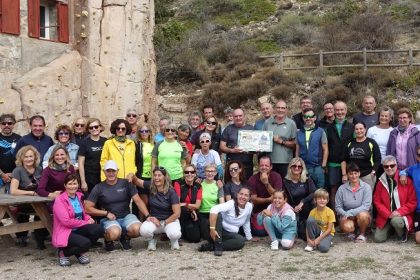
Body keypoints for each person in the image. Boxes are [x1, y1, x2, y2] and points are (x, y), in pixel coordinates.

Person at [85, 160, 149, 252]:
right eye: (108, 171)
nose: (111, 173)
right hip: (108, 219)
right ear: (104, 172)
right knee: (114, 233)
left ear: (117, 171)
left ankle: (125, 237)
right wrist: (106, 213)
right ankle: (108, 240)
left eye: (113, 171)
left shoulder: (126, 183)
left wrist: (147, 216)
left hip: (126, 216)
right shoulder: (99, 187)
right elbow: (87, 208)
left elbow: (138, 201)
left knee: (138, 229)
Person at [53, 174, 103, 266]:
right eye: (70, 184)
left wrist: (88, 218)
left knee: (98, 229)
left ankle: (79, 251)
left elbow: (82, 213)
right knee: (86, 243)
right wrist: (85, 222)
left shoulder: (79, 196)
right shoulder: (59, 200)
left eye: (75, 183)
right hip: (66, 231)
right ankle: (64, 253)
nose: (73, 186)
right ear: (65, 185)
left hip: (78, 228)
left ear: (78, 184)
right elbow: (66, 222)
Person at [373, 155, 417, 243]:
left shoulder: (406, 180)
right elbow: (377, 201)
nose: (389, 168)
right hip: (386, 216)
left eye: (392, 165)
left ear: (396, 166)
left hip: (401, 216)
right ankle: (392, 229)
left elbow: (413, 202)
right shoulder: (380, 181)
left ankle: (401, 234)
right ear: (383, 167)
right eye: (386, 166)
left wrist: (399, 212)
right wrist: (388, 214)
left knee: (396, 221)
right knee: (378, 238)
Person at [199, 187, 253, 256]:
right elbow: (213, 209)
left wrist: (249, 237)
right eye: (241, 194)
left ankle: (211, 246)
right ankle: (218, 245)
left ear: (249, 198)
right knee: (218, 214)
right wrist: (212, 229)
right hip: (216, 230)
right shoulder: (231, 203)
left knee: (241, 241)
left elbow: (246, 221)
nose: (243, 197)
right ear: (237, 194)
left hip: (229, 234)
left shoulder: (249, 206)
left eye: (246, 195)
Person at [9, 145, 45, 249]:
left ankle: (40, 238)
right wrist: (31, 193)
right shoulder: (18, 170)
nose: (29, 159)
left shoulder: (39, 169)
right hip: (23, 202)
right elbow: (13, 191)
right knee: (23, 214)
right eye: (26, 157)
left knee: (42, 212)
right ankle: (22, 238)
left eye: (31, 156)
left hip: (39, 201)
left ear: (35, 157)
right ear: (21, 158)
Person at [140, 167, 182, 250]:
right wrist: (131, 176)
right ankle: (151, 240)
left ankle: (173, 240)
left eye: (159, 175)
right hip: (154, 220)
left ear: (165, 177)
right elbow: (137, 181)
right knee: (143, 230)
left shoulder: (171, 192)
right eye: (155, 175)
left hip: (169, 221)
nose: (156, 178)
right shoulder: (151, 187)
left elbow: (177, 213)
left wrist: (163, 223)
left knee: (175, 234)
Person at [325, 101, 354, 210]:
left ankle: (348, 217)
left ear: (346, 111)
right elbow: (326, 146)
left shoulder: (352, 127)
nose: (340, 112)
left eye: (342, 110)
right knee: (334, 189)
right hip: (332, 164)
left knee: (349, 189)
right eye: (337, 110)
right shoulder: (328, 128)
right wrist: (325, 164)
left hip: (348, 164)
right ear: (334, 111)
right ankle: (335, 218)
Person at [335, 163, 372, 243]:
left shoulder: (366, 187)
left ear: (359, 173)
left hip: (360, 214)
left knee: (363, 215)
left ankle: (362, 234)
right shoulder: (341, 189)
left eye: (355, 173)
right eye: (351, 174)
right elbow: (338, 207)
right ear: (347, 175)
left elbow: (366, 206)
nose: (353, 176)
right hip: (347, 216)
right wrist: (345, 214)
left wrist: (350, 212)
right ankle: (352, 232)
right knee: (348, 226)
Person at [283, 157, 316, 240]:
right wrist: (292, 207)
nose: (296, 168)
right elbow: (283, 198)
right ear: (290, 167)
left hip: (306, 207)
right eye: (294, 166)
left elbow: (314, 193)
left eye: (299, 166)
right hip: (292, 208)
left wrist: (302, 202)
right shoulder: (285, 181)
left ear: (302, 168)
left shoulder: (307, 179)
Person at [249, 156, 283, 236]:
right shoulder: (252, 179)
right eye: (261, 165)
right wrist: (268, 199)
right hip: (259, 211)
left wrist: (266, 183)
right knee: (260, 233)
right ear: (258, 166)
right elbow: (253, 199)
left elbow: (278, 196)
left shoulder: (276, 176)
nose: (264, 167)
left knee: (277, 228)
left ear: (271, 167)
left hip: (275, 210)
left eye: (266, 165)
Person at [342, 121, 381, 190]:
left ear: (365, 129)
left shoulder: (372, 142)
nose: (359, 131)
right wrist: (344, 174)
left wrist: (373, 172)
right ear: (354, 131)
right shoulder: (349, 142)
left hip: (367, 176)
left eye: (361, 128)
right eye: (357, 129)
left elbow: (377, 159)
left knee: (367, 197)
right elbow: (343, 159)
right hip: (352, 176)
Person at [295, 107, 328, 188]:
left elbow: (325, 149)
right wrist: (297, 164)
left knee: (319, 192)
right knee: (306, 191)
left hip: (318, 168)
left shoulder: (321, 131)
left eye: (311, 116)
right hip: (304, 167)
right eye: (306, 117)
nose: (308, 118)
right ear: (303, 118)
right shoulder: (299, 133)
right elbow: (297, 150)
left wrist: (323, 165)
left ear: (315, 117)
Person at [263, 99, 297, 178]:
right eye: (278, 108)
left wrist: (281, 141)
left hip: (286, 162)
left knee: (284, 186)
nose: (280, 110)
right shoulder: (267, 122)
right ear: (274, 109)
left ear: (286, 110)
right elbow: (262, 140)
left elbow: (295, 144)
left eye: (282, 108)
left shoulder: (291, 123)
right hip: (269, 162)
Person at [220, 108, 255, 179]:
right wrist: (232, 150)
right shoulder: (228, 129)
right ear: (233, 117)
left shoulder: (252, 129)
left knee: (247, 187)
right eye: (236, 116)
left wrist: (254, 150)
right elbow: (222, 147)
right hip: (232, 166)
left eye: (240, 116)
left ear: (244, 116)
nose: (238, 118)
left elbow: (256, 146)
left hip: (247, 165)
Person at [173, 165, 202, 243]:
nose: (189, 174)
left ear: (195, 174)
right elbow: (177, 203)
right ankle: (179, 233)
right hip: (181, 213)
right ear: (184, 174)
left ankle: (185, 232)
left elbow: (197, 205)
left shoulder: (198, 186)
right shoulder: (178, 183)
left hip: (192, 213)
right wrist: (189, 208)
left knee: (195, 239)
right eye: (187, 172)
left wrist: (186, 205)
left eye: (192, 172)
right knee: (183, 209)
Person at [78, 118, 107, 194]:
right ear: (88, 130)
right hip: (89, 179)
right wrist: (83, 181)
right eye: (91, 127)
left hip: (103, 177)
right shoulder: (84, 143)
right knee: (90, 203)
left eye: (96, 127)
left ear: (100, 127)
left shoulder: (106, 141)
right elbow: (80, 163)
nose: (94, 129)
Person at [198, 163, 225, 243]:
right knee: (207, 236)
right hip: (203, 213)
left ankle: (218, 245)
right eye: (208, 171)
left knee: (215, 233)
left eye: (212, 171)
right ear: (204, 172)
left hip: (214, 214)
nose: (210, 173)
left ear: (216, 173)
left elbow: (222, 203)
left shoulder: (218, 185)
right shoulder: (200, 184)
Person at [400, 146, 420, 244]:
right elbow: (403, 171)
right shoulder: (414, 169)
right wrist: (403, 174)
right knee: (418, 240)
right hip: (419, 210)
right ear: (417, 157)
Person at [305, 188, 335, 253]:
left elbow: (329, 230)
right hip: (317, 232)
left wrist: (318, 239)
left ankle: (324, 242)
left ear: (327, 200)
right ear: (315, 200)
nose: (322, 200)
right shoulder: (312, 212)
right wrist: (308, 240)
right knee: (310, 220)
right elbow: (308, 226)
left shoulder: (330, 212)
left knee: (323, 248)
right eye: (319, 198)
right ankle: (311, 243)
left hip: (327, 233)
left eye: (324, 199)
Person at [366, 106, 394, 177]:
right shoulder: (371, 130)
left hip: (388, 165)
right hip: (373, 164)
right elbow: (366, 147)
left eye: (386, 116)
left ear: (390, 118)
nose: (383, 118)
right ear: (379, 117)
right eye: (382, 116)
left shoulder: (393, 131)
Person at [133, 124, 154, 211]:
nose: (144, 133)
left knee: (152, 202)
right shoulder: (137, 145)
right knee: (144, 201)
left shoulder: (154, 144)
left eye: (146, 131)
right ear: (139, 133)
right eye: (142, 131)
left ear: (150, 132)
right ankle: (142, 221)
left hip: (153, 177)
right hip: (141, 176)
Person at [0, 113, 21, 192]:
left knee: (13, 201)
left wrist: (13, 174)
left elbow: (22, 159)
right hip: (0, 176)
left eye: (9, 123)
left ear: (13, 124)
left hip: (15, 176)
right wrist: (2, 174)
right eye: (3, 123)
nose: (6, 125)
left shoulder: (19, 139)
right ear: (0, 125)